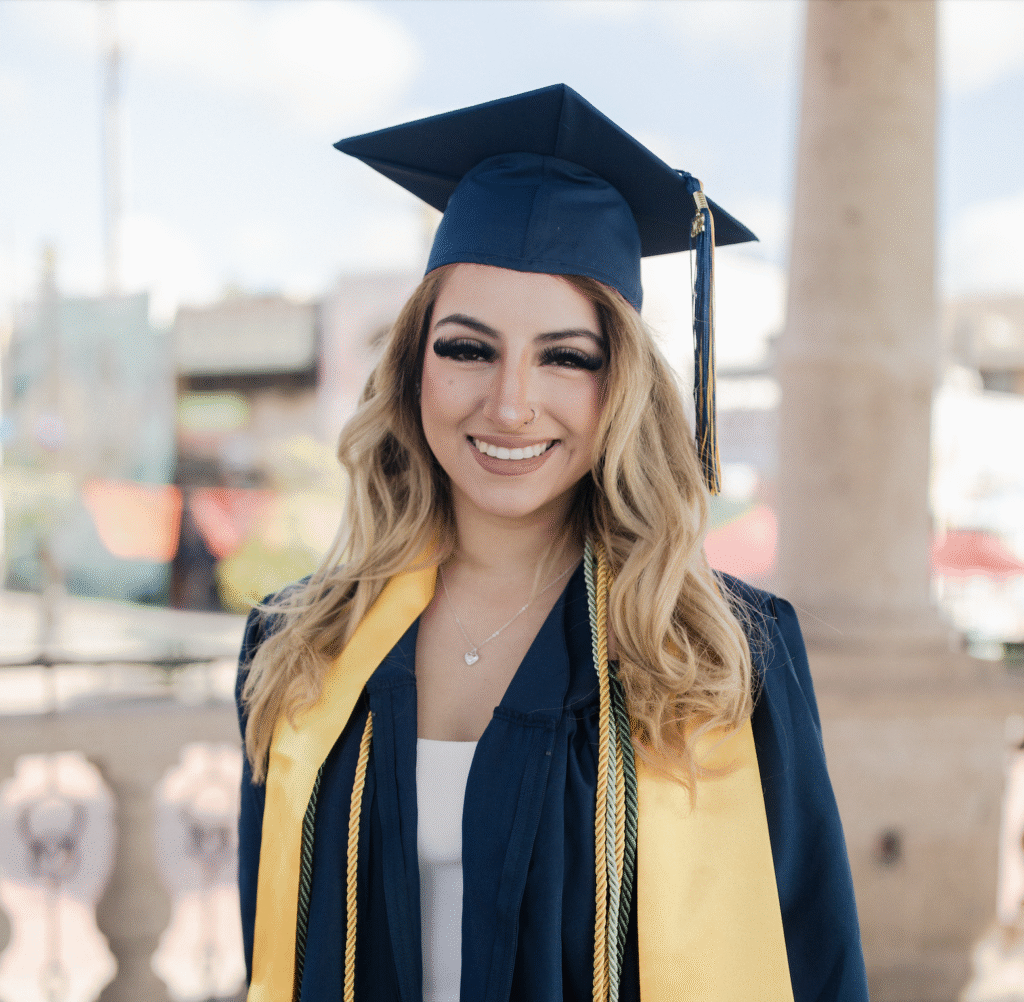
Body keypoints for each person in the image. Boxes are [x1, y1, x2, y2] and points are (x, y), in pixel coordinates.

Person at [236, 85, 869, 1002]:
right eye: (467, 348)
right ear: (414, 364)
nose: (509, 405)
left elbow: (816, 966)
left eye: (566, 356)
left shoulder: (727, 660)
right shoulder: (298, 647)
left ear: (621, 385)